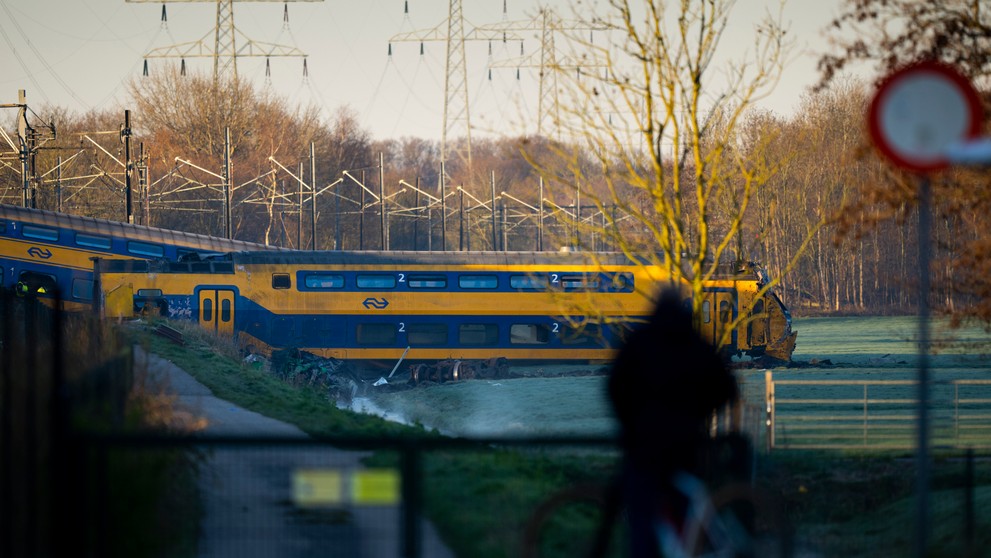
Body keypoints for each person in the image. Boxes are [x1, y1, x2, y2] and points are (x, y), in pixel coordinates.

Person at [607, 288, 739, 558]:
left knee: (642, 510)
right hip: (687, 443)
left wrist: (628, 423)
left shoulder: (639, 342)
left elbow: (614, 387)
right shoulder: (697, 344)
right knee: (683, 506)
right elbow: (727, 388)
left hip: (645, 444)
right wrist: (700, 415)